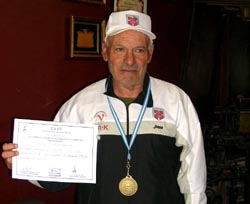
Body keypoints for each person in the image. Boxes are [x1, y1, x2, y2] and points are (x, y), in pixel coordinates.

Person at [2, 10, 207, 204]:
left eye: (139, 50)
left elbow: (193, 176)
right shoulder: (80, 105)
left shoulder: (177, 101)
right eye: (120, 49)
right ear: (105, 52)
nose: (129, 60)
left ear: (150, 54)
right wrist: (23, 163)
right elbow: (57, 178)